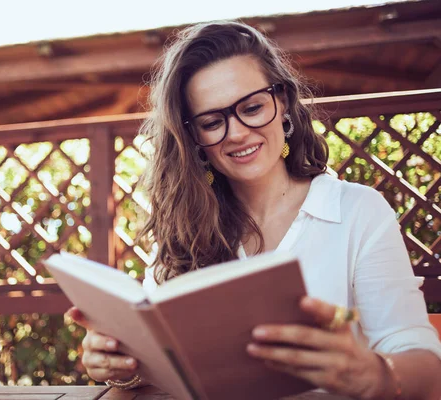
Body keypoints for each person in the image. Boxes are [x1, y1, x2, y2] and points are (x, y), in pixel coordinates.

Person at [66, 21, 441, 398]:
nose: (238, 132)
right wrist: (121, 364)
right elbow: (163, 360)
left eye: (252, 107)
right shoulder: (186, 225)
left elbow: (423, 363)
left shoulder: (357, 211)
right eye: (213, 121)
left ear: (283, 104)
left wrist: (374, 374)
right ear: (194, 138)